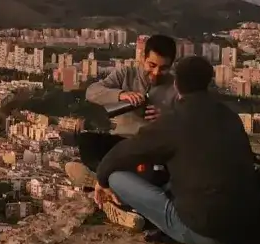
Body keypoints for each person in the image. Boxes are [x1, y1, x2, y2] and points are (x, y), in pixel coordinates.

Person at [93, 55, 260, 244]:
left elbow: (123, 153)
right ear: (208, 82)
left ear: (176, 84)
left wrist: (101, 179)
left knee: (116, 178)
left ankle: (119, 204)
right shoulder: (230, 116)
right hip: (246, 224)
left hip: (202, 230)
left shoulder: (174, 121)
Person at [66, 34, 178, 185]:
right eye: (152, 65)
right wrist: (121, 95)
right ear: (143, 59)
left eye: (163, 68)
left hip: (149, 147)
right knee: (88, 140)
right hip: (120, 142)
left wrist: (166, 118)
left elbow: (189, 121)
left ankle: (104, 180)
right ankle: (104, 178)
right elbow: (92, 92)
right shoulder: (126, 74)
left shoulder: (176, 87)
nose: (156, 72)